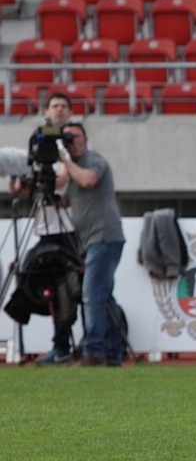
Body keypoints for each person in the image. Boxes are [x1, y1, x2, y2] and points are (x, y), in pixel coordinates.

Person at [15, 92, 80, 366]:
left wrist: (47, 182)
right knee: (30, 277)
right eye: (55, 106)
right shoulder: (39, 139)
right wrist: (28, 183)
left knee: (69, 289)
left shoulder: (74, 140)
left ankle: (63, 346)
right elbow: (26, 179)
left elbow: (66, 176)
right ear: (46, 110)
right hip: (44, 228)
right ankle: (25, 338)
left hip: (67, 230)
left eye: (64, 106)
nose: (60, 110)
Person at [55, 122, 126, 367]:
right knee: (103, 296)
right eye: (68, 137)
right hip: (92, 241)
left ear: (86, 138)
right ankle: (113, 352)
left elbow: (88, 180)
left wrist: (65, 161)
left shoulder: (94, 160)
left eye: (76, 136)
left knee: (92, 294)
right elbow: (63, 200)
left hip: (104, 237)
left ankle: (94, 351)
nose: (73, 140)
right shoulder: (73, 171)